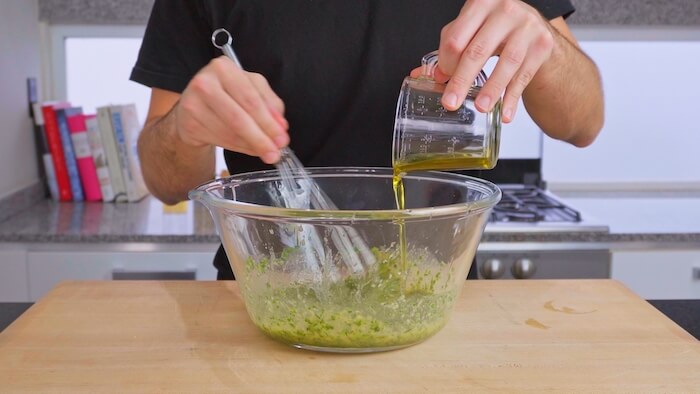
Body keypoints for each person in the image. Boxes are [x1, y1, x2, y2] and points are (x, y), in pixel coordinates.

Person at [130, 0, 604, 280]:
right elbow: (166, 181)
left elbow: (584, 123)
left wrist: (539, 31)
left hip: (439, 295)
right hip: (262, 292)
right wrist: (185, 127)